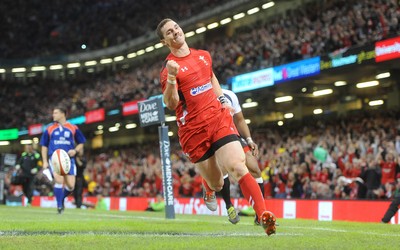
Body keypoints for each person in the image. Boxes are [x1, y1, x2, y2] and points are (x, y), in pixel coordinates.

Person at [156, 18, 276, 235]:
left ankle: (264, 215)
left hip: (217, 119)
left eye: (176, 28)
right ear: (165, 41)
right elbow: (171, 103)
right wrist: (172, 77)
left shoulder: (204, 55)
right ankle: (209, 186)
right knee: (218, 182)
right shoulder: (168, 68)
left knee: (238, 166)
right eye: (169, 33)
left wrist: (222, 99)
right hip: (193, 131)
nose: (175, 33)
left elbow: (211, 78)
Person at [217, 89, 265, 225]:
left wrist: (249, 140)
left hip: (232, 134)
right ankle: (229, 206)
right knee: (222, 171)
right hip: (214, 137)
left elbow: (240, 119)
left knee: (255, 169)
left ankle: (260, 214)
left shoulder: (230, 95)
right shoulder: (203, 95)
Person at [40, 106, 86, 214]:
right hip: (55, 157)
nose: (53, 115)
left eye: (55, 113)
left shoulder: (73, 127)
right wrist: (45, 161)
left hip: (69, 159)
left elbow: (81, 142)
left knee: (71, 186)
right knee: (59, 180)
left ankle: (61, 199)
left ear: (63, 114)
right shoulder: (49, 129)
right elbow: (44, 146)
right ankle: (59, 206)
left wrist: (75, 151)